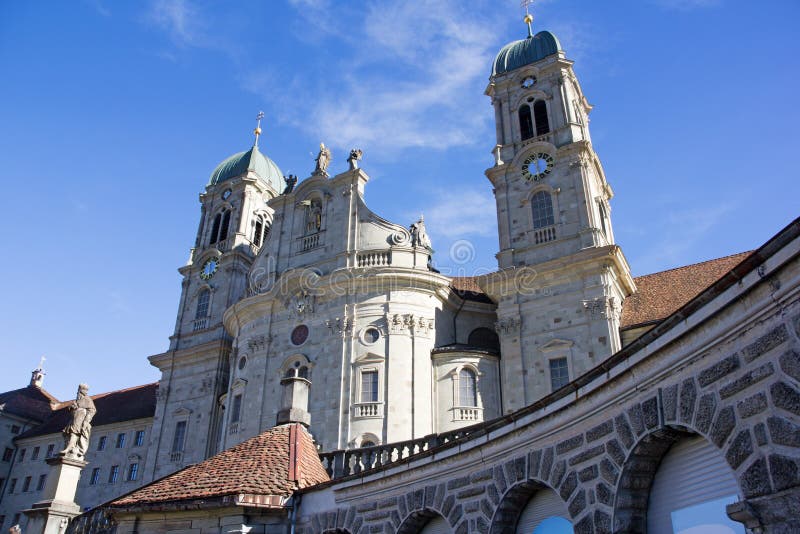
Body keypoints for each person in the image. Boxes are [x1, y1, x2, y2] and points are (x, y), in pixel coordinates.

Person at [60, 384, 96, 458]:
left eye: (85, 390)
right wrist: (72, 407)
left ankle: (69, 448)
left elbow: (92, 410)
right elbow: (71, 407)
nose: (79, 392)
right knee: (68, 433)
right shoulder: (78, 399)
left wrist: (86, 421)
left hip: (80, 419)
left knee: (74, 432)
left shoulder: (87, 399)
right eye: (83, 389)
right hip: (74, 418)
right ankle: (69, 447)